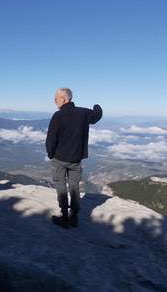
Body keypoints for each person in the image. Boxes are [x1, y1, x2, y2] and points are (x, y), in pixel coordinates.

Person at [46, 88, 102, 228]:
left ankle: (64, 216)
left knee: (60, 185)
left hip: (59, 158)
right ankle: (74, 217)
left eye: (56, 98)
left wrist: (50, 153)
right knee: (74, 186)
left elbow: (51, 139)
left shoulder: (57, 116)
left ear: (64, 99)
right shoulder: (83, 113)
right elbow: (96, 116)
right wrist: (97, 106)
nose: (54, 101)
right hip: (76, 158)